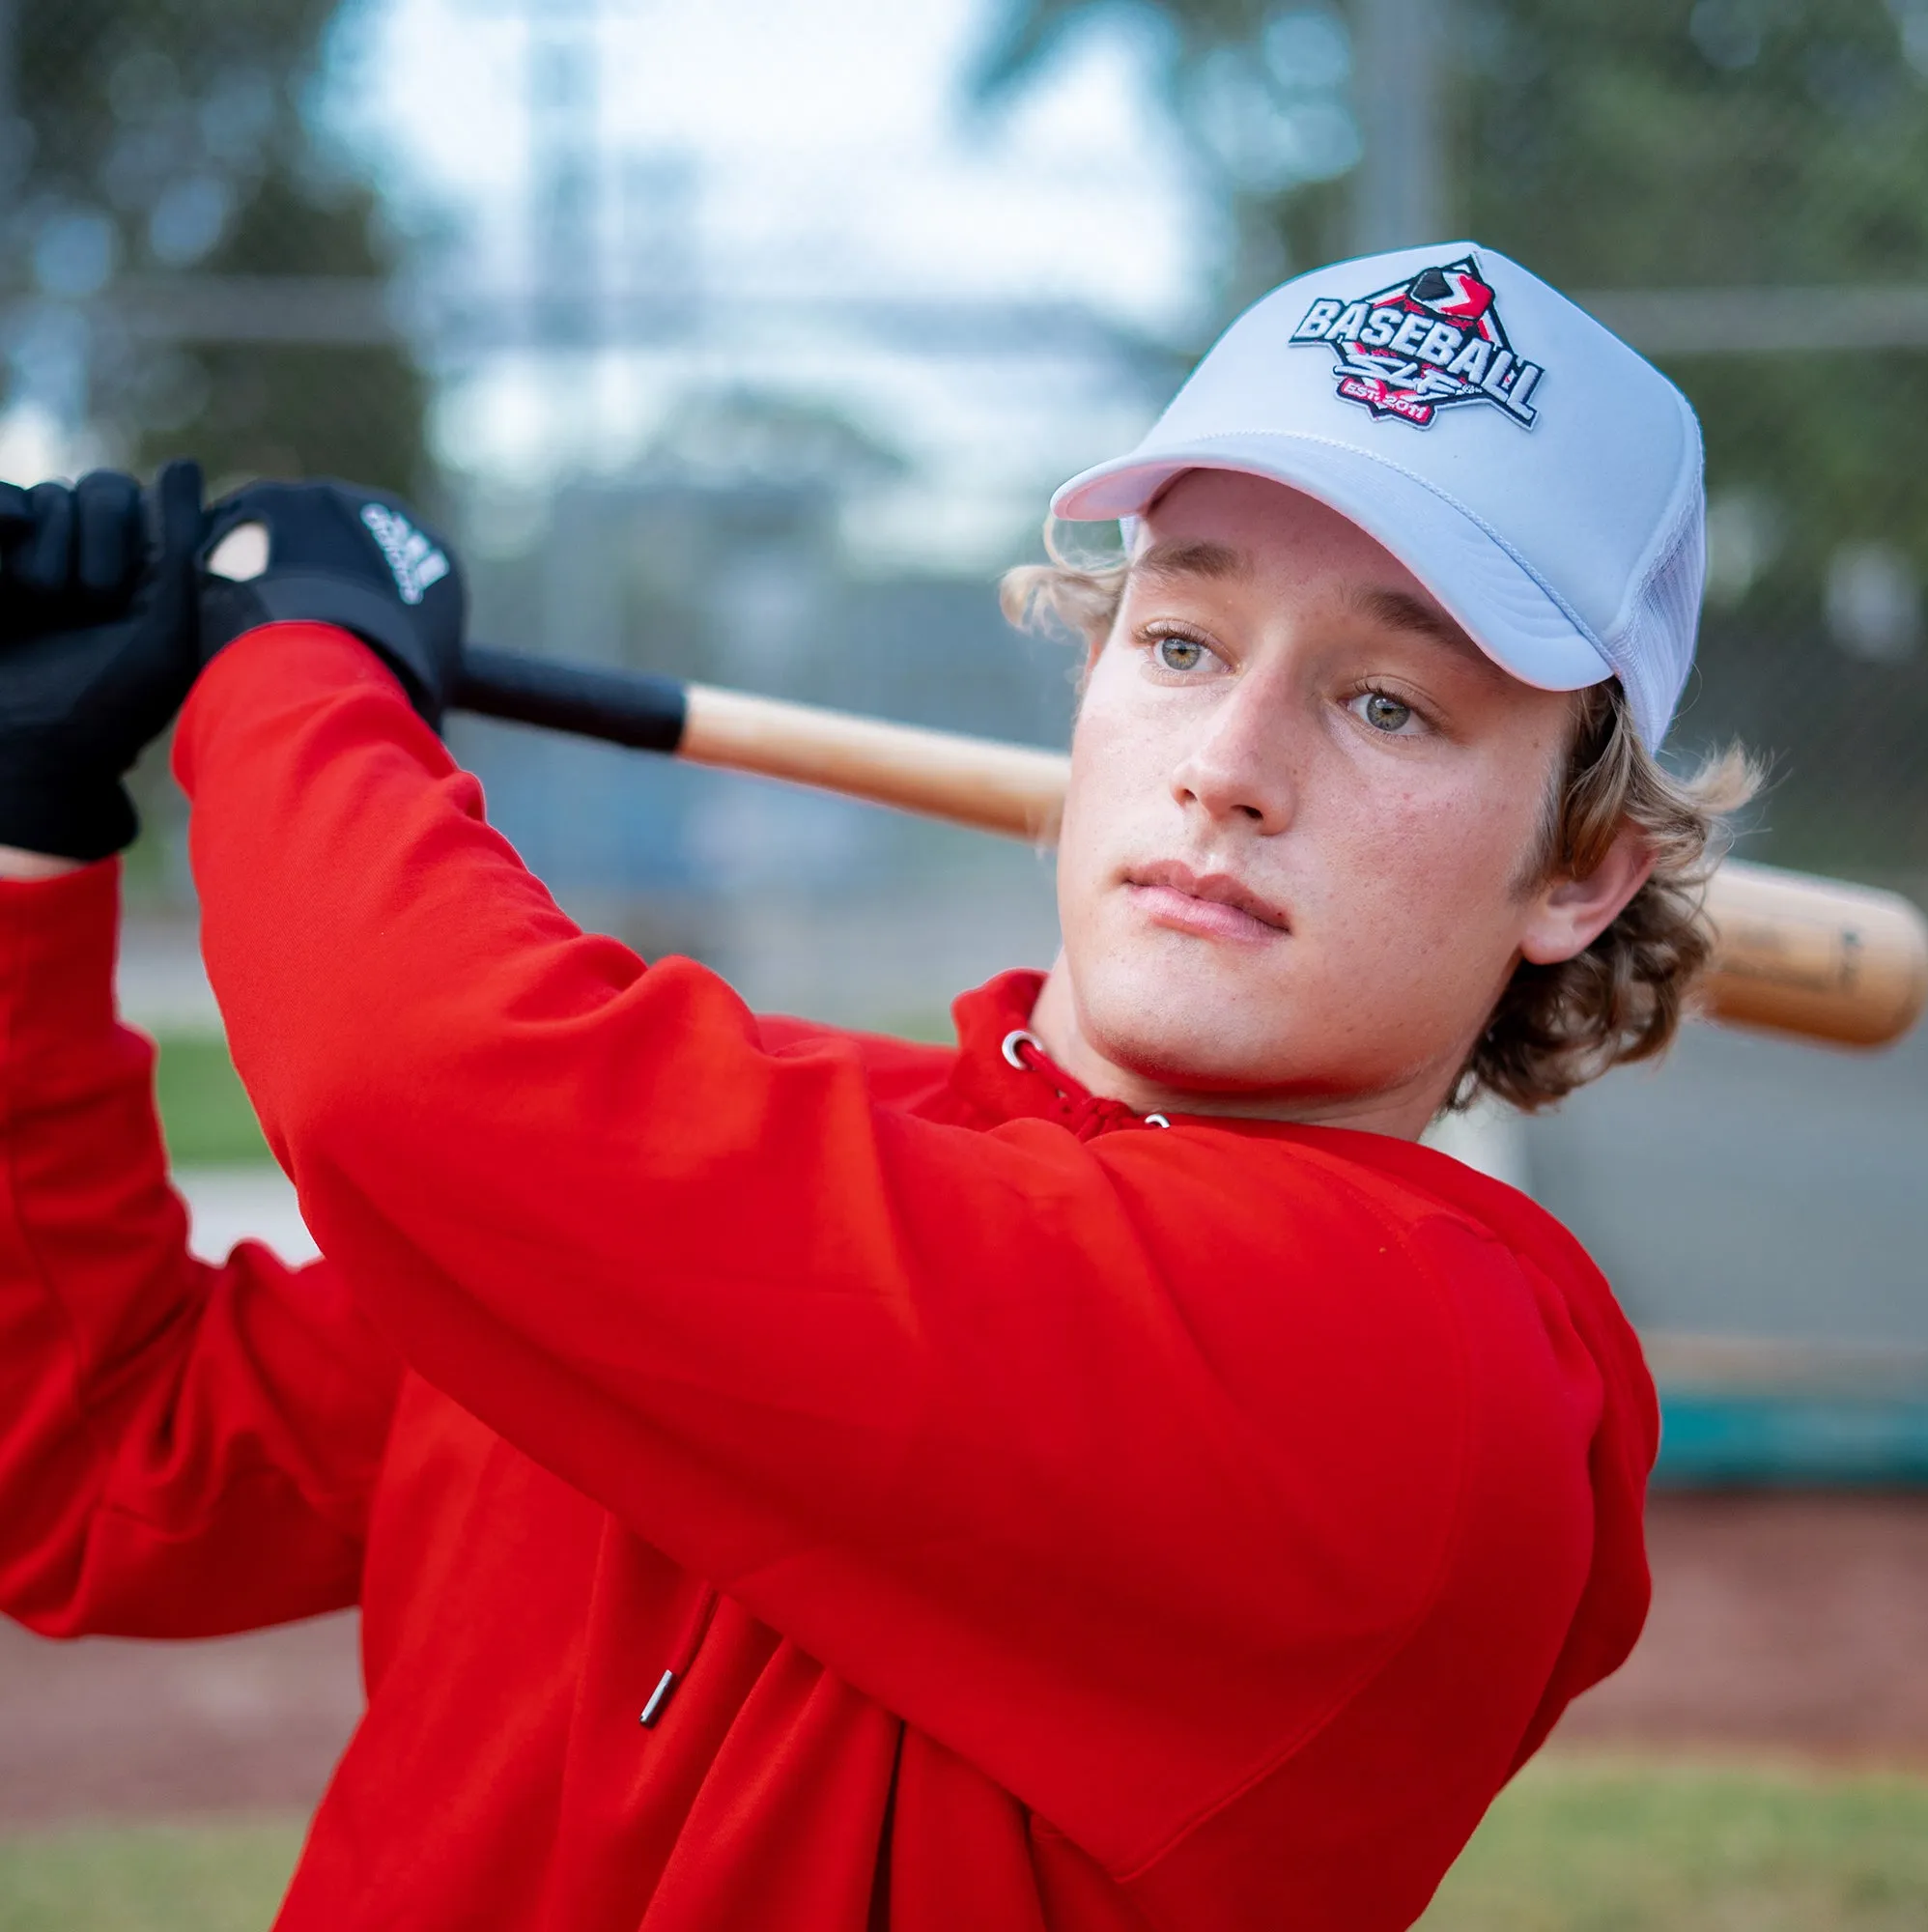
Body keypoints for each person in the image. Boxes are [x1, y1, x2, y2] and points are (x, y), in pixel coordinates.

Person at [0, 243, 1750, 1931]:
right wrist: (30, 832)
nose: (1227, 767)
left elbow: (417, 1084)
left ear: (1584, 872)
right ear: (1094, 678)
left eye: (1387, 704)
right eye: (1185, 643)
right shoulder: (788, 1154)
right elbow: (105, 1459)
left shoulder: (1432, 1380)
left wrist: (300, 660)